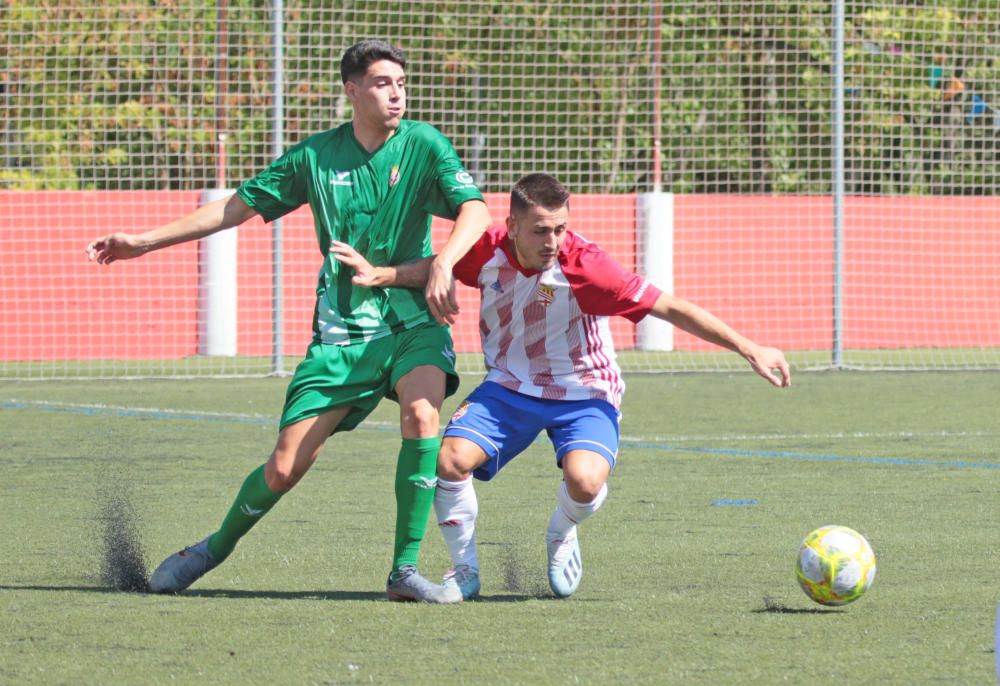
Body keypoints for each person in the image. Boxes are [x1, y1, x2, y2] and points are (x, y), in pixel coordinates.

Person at [85, 40, 492, 603]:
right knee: (283, 469)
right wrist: (145, 242)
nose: (396, 92)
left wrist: (442, 262)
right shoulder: (315, 158)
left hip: (411, 320)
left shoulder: (424, 144)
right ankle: (214, 547)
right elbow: (237, 206)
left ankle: (403, 571)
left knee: (424, 416)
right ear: (352, 90)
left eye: (401, 82)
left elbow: (476, 208)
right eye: (381, 82)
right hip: (342, 334)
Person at [331, 173, 791, 601]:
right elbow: (438, 267)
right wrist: (384, 275)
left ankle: (563, 529)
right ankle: (465, 569)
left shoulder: (589, 268)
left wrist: (748, 347)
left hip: (583, 391)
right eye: (540, 231)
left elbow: (667, 307)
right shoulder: (487, 250)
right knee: (449, 461)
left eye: (560, 229)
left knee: (586, 482)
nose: (553, 241)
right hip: (510, 386)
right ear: (511, 226)